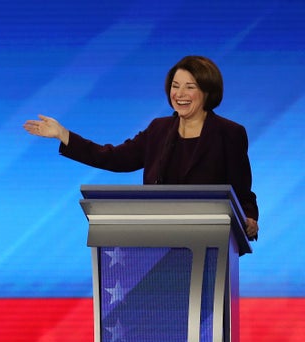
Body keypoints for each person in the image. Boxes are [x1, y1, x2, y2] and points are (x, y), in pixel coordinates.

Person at [23, 55, 259, 240]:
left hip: (211, 240)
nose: (180, 94)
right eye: (175, 86)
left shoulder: (230, 133)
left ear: (207, 92)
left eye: (190, 87)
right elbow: (115, 158)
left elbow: (241, 188)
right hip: (159, 237)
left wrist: (249, 216)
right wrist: (64, 135)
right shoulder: (159, 129)